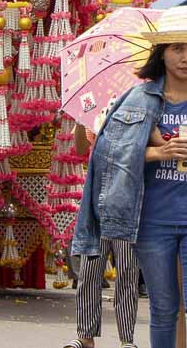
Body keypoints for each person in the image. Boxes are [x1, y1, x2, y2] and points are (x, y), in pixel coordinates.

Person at [72, 6, 187, 348]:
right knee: (164, 309)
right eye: (177, 48)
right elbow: (108, 155)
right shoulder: (136, 98)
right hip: (151, 221)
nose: (186, 57)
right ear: (162, 53)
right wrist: (157, 152)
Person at [64, 125, 140, 348]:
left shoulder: (136, 109)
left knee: (127, 272)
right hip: (96, 206)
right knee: (88, 274)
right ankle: (85, 336)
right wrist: (79, 121)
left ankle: (127, 340)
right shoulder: (96, 115)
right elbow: (79, 148)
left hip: (126, 204)